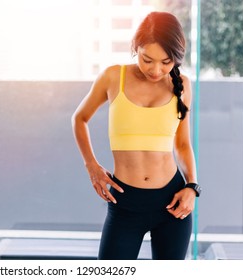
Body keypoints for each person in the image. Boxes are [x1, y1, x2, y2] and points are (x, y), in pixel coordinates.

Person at [71, 11, 201, 260]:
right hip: (126, 203)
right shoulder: (113, 77)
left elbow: (182, 144)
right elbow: (79, 118)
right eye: (147, 59)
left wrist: (192, 187)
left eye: (166, 62)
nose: (155, 70)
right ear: (135, 47)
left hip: (172, 203)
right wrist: (91, 165)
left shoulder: (182, 85)